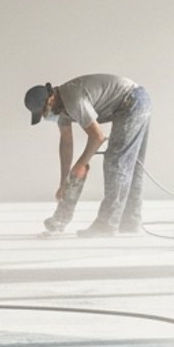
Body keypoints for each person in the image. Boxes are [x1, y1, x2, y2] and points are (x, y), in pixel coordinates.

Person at [23, 74, 151, 237]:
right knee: (130, 164)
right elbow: (66, 143)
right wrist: (64, 182)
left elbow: (98, 136)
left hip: (132, 101)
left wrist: (80, 164)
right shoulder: (61, 108)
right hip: (131, 101)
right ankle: (129, 223)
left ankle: (106, 225)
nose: (45, 117)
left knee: (116, 163)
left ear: (50, 101)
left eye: (43, 113)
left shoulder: (73, 100)